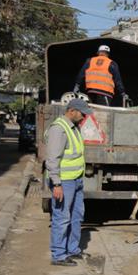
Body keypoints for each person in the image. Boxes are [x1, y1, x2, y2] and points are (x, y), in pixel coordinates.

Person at [45, 99, 93, 266]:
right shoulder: (59, 129)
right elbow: (52, 159)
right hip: (64, 182)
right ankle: (59, 255)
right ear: (72, 111)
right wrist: (56, 184)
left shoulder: (74, 128)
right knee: (62, 217)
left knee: (77, 217)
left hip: (76, 179)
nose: (84, 117)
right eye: (82, 113)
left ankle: (73, 250)